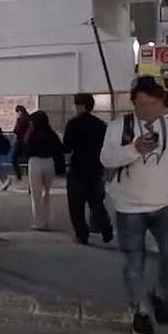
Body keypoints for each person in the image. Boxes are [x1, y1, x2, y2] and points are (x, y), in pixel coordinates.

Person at [101, 76, 168, 334]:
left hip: (167, 204)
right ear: (133, 102)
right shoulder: (119, 127)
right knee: (135, 263)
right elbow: (107, 159)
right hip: (129, 207)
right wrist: (134, 149)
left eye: (154, 104)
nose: (149, 110)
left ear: (162, 103)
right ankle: (140, 311)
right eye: (142, 104)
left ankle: (160, 293)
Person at [62, 93, 113, 245]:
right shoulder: (101, 125)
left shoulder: (73, 124)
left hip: (77, 168)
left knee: (76, 205)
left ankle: (81, 235)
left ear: (81, 106)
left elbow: (67, 147)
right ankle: (106, 228)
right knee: (96, 202)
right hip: (96, 169)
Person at [25, 110, 64, 230]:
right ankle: (47, 221)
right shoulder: (51, 134)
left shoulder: (32, 134)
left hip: (35, 162)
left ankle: (39, 222)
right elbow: (59, 149)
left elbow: (26, 149)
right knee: (46, 192)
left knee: (36, 194)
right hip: (49, 162)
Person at [11, 105, 31, 180]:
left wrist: (17, 121)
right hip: (28, 142)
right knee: (28, 159)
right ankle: (29, 175)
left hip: (20, 142)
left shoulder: (21, 120)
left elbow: (16, 130)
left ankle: (18, 175)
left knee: (13, 158)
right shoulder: (29, 118)